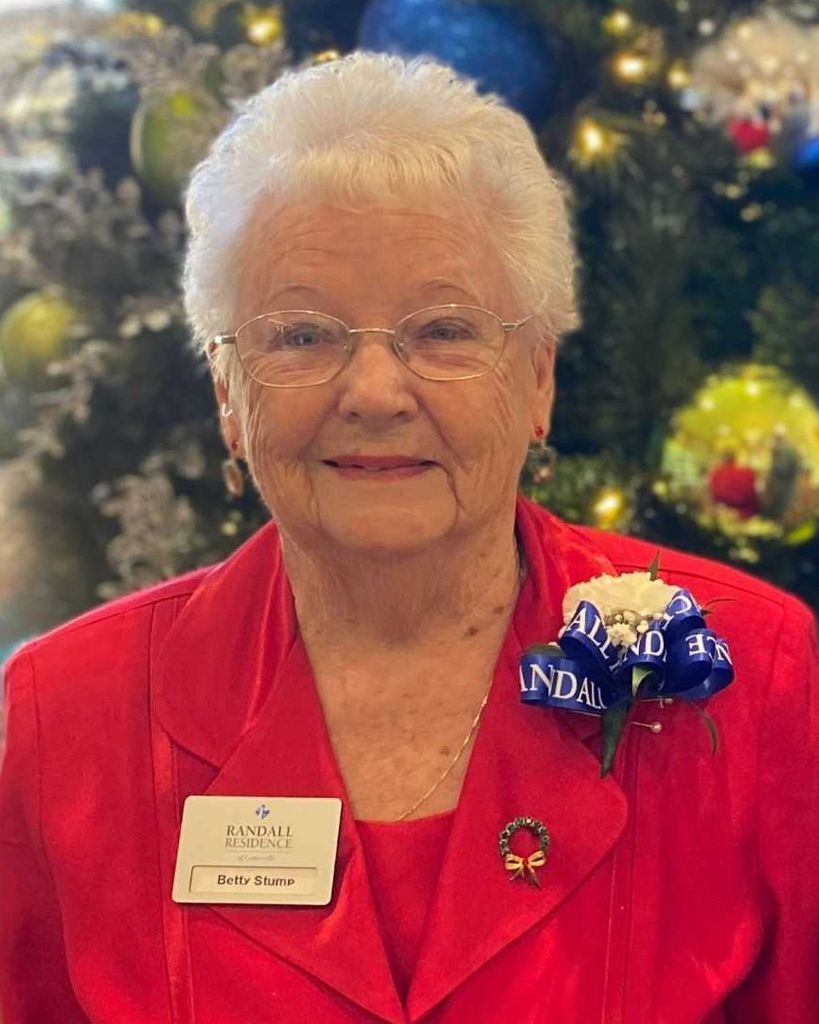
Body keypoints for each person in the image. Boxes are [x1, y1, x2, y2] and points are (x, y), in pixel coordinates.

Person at [1, 52, 817, 1024]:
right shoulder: (66, 714)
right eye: (302, 335)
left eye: (443, 330)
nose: (376, 393)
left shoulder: (753, 669)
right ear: (227, 393)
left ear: (539, 377)